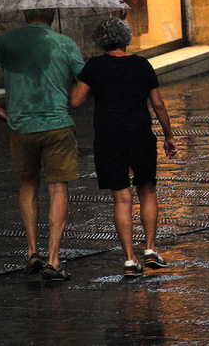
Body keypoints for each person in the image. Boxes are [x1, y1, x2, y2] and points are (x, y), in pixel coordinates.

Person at [0, 8, 84, 281]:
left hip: (21, 126)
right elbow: (85, 79)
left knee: (28, 183)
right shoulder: (65, 43)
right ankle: (54, 260)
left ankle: (32, 251)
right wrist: (71, 94)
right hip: (57, 125)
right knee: (58, 187)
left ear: (25, 16)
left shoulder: (7, 41)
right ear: (52, 17)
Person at [70, 18, 177, 277]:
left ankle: (130, 259)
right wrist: (168, 136)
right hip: (140, 134)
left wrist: (80, 80)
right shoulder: (142, 64)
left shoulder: (94, 66)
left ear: (101, 40)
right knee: (147, 190)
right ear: (126, 38)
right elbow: (159, 105)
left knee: (121, 197)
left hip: (108, 137)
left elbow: (75, 100)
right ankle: (150, 249)